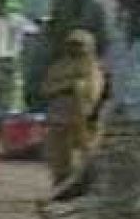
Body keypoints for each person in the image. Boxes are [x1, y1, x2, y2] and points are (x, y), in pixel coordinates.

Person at [40, 30, 108, 204]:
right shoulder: (58, 66)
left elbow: (94, 92)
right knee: (59, 157)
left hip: (84, 118)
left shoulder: (93, 67)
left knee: (87, 156)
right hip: (59, 117)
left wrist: (76, 88)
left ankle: (86, 188)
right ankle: (62, 188)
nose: (75, 48)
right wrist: (68, 86)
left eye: (79, 45)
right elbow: (46, 88)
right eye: (72, 44)